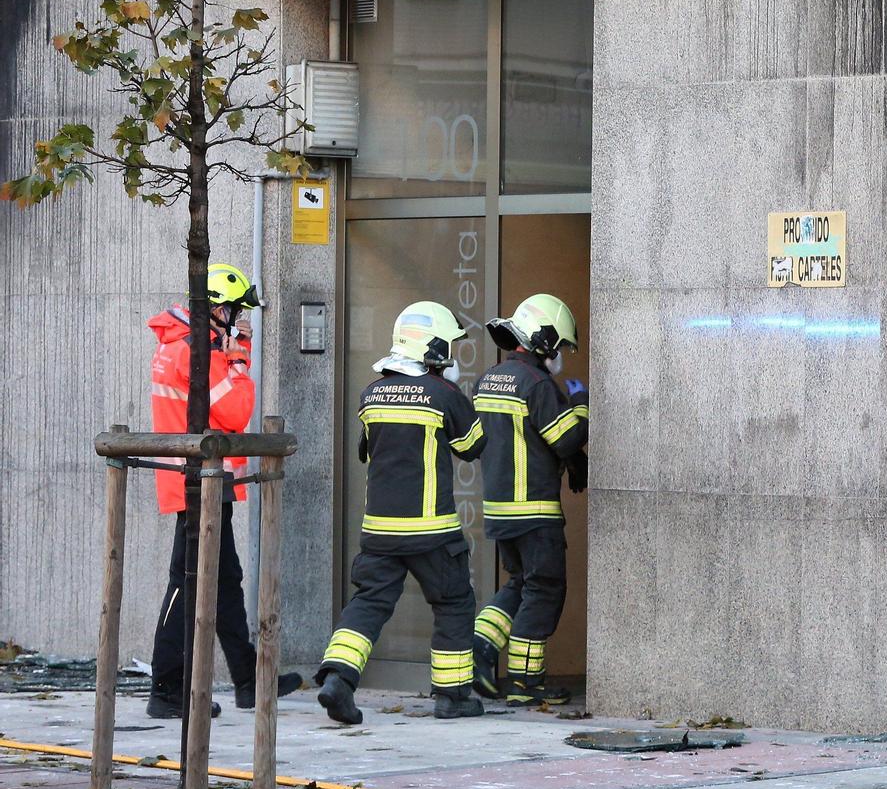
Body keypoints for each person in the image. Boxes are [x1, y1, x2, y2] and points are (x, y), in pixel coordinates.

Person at [314, 302, 488, 724]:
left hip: (379, 530)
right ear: (432, 348)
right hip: (432, 531)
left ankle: (338, 679)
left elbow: (367, 447)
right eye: (446, 347)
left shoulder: (370, 393)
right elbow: (472, 446)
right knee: (454, 603)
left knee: (369, 602)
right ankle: (453, 696)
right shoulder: (443, 394)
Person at [146, 262, 305, 719]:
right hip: (199, 484)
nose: (242, 321)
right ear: (217, 309)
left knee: (225, 581)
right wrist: (239, 357)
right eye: (237, 312)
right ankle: (168, 688)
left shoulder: (184, 343)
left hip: (208, 483)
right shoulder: (197, 350)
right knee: (187, 583)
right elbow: (236, 412)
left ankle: (248, 678)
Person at [469, 294, 588, 707]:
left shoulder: (489, 378)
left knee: (520, 585)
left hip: (501, 509)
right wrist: (581, 405)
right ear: (543, 341)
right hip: (535, 511)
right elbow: (564, 436)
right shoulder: (537, 385)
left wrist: (573, 463)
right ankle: (525, 683)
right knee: (545, 590)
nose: (560, 358)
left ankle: (479, 648)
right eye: (559, 348)